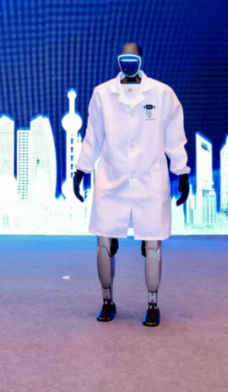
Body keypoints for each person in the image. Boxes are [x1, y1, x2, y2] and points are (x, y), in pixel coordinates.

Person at [73, 43, 190, 326]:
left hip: (149, 179)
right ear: (118, 60)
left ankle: (152, 303)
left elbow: (174, 138)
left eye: (132, 59)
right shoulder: (103, 93)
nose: (128, 64)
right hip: (112, 179)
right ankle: (107, 300)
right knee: (104, 243)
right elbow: (93, 136)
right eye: (124, 59)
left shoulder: (162, 93)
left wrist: (182, 172)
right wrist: (81, 169)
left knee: (152, 244)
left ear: (140, 60)